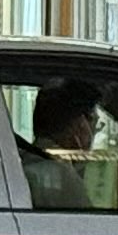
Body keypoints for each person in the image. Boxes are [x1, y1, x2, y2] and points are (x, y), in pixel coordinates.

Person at [20, 77, 100, 207]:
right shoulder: (63, 179)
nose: (94, 133)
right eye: (95, 124)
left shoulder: (24, 163)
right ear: (80, 124)